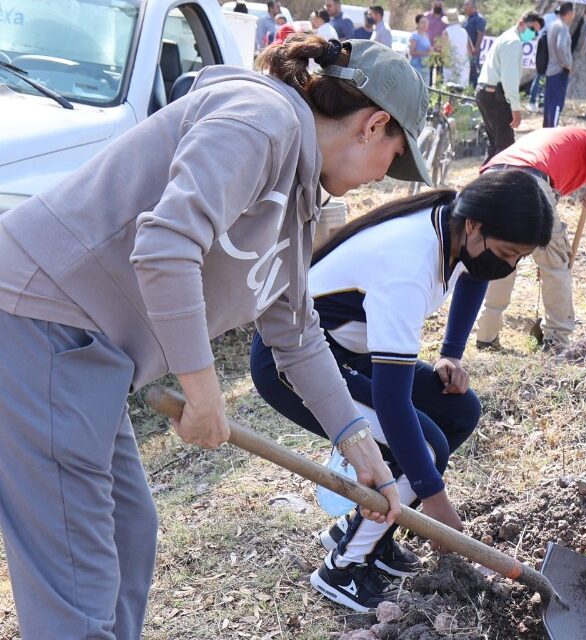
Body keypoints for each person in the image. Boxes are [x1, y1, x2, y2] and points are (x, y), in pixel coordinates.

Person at [0, 37, 430, 639]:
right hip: (38, 324)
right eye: (396, 156)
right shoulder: (261, 122)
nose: (386, 177)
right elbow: (166, 244)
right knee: (78, 578)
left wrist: (364, 455)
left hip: (93, 354)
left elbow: (296, 331)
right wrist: (204, 393)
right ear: (373, 125)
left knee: (128, 533)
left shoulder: (299, 191)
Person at [251, 171, 556, 612]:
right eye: (507, 253)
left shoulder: (455, 227)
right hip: (293, 361)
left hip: (349, 350)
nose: (507, 267)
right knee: (425, 449)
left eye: (518, 259)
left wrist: (452, 352)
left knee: (459, 411)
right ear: (475, 226)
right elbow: (394, 406)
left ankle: (364, 531)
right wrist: (438, 508)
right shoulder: (409, 266)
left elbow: (475, 272)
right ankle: (345, 569)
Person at [475, 125, 586, 352]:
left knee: (499, 256)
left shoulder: (557, 142)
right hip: (530, 178)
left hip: (491, 177)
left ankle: (486, 335)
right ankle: (556, 341)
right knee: (555, 264)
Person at [476, 11, 543, 159]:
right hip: (495, 96)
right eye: (532, 29)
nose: (532, 34)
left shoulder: (507, 37)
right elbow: (509, 79)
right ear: (521, 23)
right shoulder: (513, 42)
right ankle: (495, 181)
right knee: (505, 149)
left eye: (536, 33)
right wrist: (515, 108)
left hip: (487, 93)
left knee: (495, 146)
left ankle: (486, 180)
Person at [541, 3, 574, 128]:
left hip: (550, 69)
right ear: (569, 13)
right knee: (556, 103)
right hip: (559, 70)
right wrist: (566, 64)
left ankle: (546, 129)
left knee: (549, 103)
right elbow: (560, 46)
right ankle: (553, 129)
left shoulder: (552, 25)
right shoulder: (562, 27)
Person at [462, 0, 487, 88]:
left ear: (473, 7)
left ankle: (473, 91)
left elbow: (480, 34)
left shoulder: (479, 19)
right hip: (465, 50)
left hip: (473, 51)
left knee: (473, 72)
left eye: (466, 5)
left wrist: (476, 48)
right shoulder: (467, 19)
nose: (464, 7)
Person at [443, 10, 471, 85]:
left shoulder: (446, 32)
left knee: (449, 89)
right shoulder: (464, 31)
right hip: (463, 63)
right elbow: (467, 49)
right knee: (462, 88)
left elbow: (444, 50)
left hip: (451, 63)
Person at [409, 13, 433, 81]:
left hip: (425, 67)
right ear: (418, 24)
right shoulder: (415, 36)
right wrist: (425, 53)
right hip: (417, 67)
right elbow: (412, 52)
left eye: (426, 22)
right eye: (422, 22)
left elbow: (428, 49)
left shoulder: (426, 35)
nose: (425, 24)